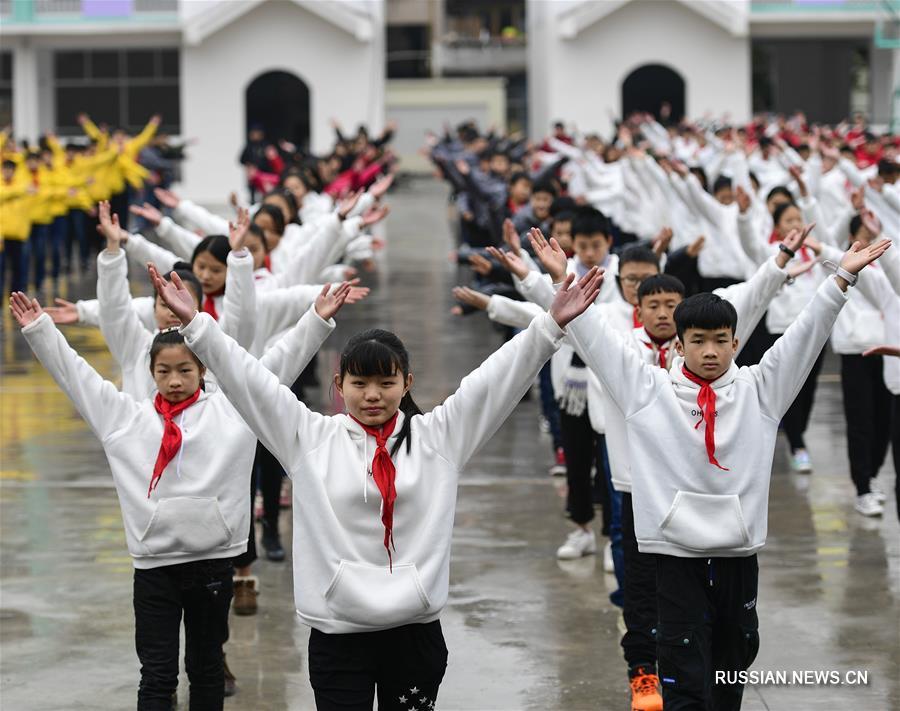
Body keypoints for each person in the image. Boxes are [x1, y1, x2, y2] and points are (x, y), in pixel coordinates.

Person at [151, 261, 603, 710]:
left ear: (406, 383)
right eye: (360, 383)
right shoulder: (308, 439)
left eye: (386, 383)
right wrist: (196, 325)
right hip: (337, 636)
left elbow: (494, 381)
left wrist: (549, 325)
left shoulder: (438, 438)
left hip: (414, 635)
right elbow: (250, 381)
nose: (373, 395)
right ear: (338, 384)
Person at [566, 239, 890, 710]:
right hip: (676, 555)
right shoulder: (647, 390)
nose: (710, 351)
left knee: (731, 664)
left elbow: (804, 336)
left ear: (736, 342)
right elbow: (597, 340)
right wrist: (559, 280)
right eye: (697, 341)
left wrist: (842, 279)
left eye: (720, 340)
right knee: (681, 668)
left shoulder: (760, 389)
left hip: (738, 554)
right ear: (679, 345)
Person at [10, 278, 354, 710]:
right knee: (156, 675)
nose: (174, 380)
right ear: (149, 374)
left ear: (204, 370)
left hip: (213, 561)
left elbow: (272, 370)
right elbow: (76, 377)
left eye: (185, 370)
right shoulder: (124, 420)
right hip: (154, 568)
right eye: (163, 372)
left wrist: (316, 320)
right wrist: (40, 329)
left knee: (207, 667)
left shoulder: (234, 411)